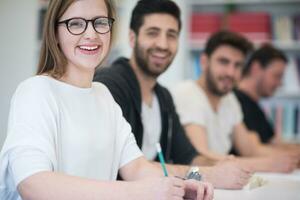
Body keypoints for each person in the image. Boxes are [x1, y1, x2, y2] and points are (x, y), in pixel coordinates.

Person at [0, 0, 214, 199]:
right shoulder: (35, 91)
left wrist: (182, 186)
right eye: (75, 24)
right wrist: (136, 192)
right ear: (55, 33)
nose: (91, 34)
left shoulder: (103, 95)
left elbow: (137, 168)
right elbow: (33, 183)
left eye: (100, 22)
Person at [94, 0, 252, 189]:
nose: (163, 44)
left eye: (171, 35)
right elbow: (125, 168)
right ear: (132, 38)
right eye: (153, 33)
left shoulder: (163, 97)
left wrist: (220, 164)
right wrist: (207, 175)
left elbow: (189, 157)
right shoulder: (109, 86)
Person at [173, 31, 300, 173]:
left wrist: (288, 158)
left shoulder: (229, 99)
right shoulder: (188, 92)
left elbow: (250, 149)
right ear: (204, 62)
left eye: (237, 65)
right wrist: (266, 164)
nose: (231, 73)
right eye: (223, 62)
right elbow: (200, 157)